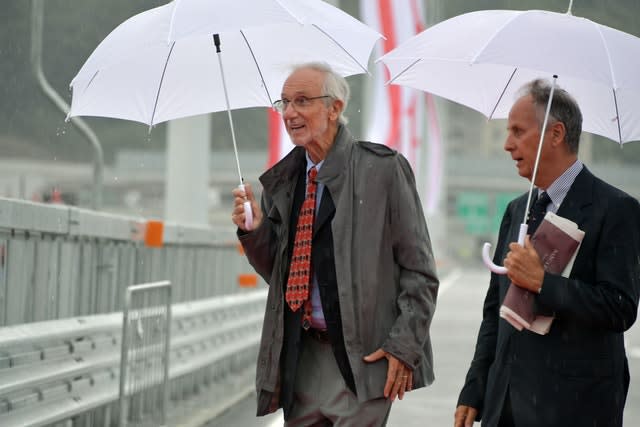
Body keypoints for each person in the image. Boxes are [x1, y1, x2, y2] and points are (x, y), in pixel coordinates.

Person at [231, 62, 439, 426]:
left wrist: (404, 347)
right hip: (301, 356)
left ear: (335, 108)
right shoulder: (282, 183)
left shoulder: (383, 171)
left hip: (364, 358)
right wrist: (256, 231)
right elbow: (281, 277)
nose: (290, 113)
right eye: (284, 103)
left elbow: (419, 271)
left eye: (302, 101)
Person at [454, 79, 640, 427]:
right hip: (505, 403)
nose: (508, 145)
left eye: (518, 131)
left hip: (575, 407)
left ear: (556, 134)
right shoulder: (517, 210)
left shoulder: (615, 209)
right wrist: (474, 388)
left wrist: (544, 284)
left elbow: (621, 307)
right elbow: (496, 313)